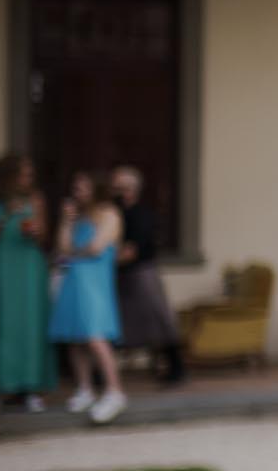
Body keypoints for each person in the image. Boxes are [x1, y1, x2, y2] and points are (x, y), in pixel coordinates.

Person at [50, 171, 127, 424]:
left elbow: (96, 248)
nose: (77, 192)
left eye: (82, 187)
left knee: (95, 337)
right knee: (75, 337)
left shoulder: (109, 214)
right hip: (73, 282)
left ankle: (114, 391)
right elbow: (61, 248)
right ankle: (84, 389)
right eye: (76, 187)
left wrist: (73, 253)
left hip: (95, 284)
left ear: (96, 190)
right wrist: (66, 221)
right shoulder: (78, 217)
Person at [0, 154, 52, 411]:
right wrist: (4, 218)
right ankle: (4, 386)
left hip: (29, 268)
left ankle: (33, 387)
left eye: (30, 175)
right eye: (23, 174)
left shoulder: (35, 198)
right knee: (3, 324)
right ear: (7, 175)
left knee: (29, 324)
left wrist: (36, 232)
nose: (28, 179)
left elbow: (45, 236)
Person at [109, 165, 186, 386]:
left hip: (142, 274)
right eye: (114, 187)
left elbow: (131, 251)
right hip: (122, 276)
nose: (116, 192)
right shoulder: (114, 213)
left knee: (159, 321)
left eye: (120, 188)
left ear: (132, 190)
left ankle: (176, 367)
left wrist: (100, 261)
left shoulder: (142, 215)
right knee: (121, 324)